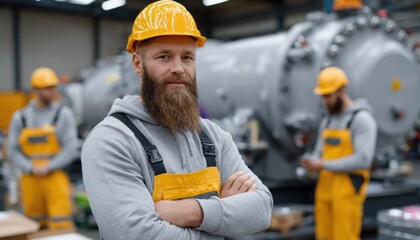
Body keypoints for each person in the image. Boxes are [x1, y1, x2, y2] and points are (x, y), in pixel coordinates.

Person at [81, 1, 273, 239]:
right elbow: (136, 234)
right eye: (164, 57)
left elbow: (262, 209)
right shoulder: (112, 141)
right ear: (138, 64)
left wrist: (192, 212)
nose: (178, 68)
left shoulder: (214, 137)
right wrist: (223, 217)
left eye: (187, 57)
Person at [300, 67, 377, 240]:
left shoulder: (361, 120)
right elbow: (319, 152)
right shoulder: (328, 120)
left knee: (345, 235)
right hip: (325, 187)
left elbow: (363, 160)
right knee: (324, 235)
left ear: (342, 91)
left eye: (328, 95)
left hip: (347, 190)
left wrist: (322, 164)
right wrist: (310, 162)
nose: (325, 101)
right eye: (323, 96)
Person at [8, 67, 78, 229]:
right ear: (36, 90)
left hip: (55, 177)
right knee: (33, 225)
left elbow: (71, 147)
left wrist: (50, 166)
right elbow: (13, 149)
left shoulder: (63, 114)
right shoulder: (21, 117)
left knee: (61, 224)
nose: (52, 92)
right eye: (47, 88)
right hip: (29, 179)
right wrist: (30, 167)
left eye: (53, 87)